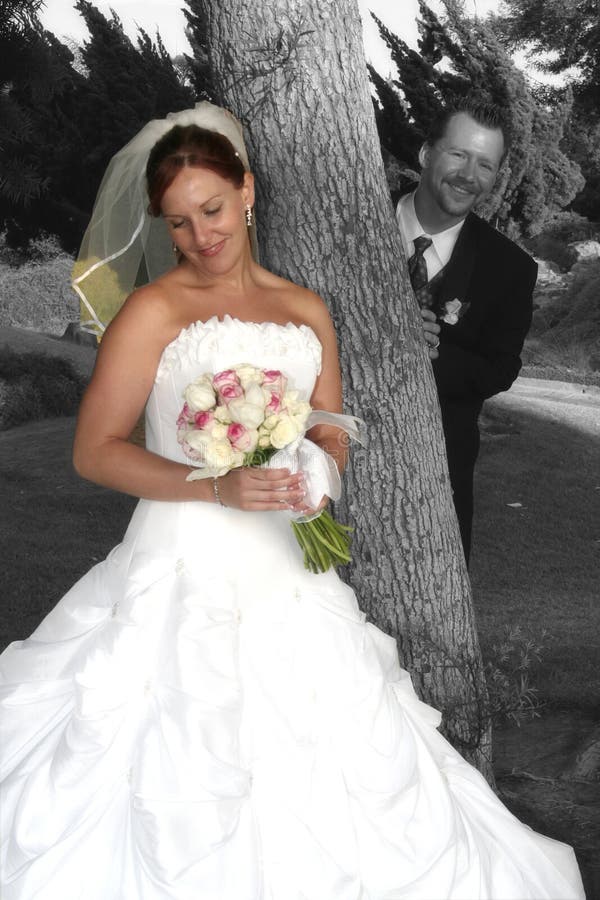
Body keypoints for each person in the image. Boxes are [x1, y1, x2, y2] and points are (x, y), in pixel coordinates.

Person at [0, 103, 583, 900]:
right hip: (180, 560)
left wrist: (313, 471)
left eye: (211, 210)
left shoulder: (307, 310)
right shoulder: (154, 311)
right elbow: (93, 451)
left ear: (246, 192)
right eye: (178, 223)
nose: (201, 236)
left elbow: (333, 432)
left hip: (287, 563)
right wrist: (216, 483)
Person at [394, 98, 538, 564]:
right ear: (425, 154)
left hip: (439, 466)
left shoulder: (510, 268)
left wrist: (433, 354)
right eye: (458, 154)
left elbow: (502, 368)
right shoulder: (351, 223)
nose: (468, 175)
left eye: (485, 165)